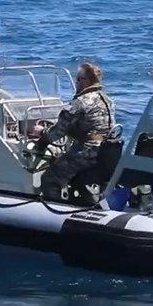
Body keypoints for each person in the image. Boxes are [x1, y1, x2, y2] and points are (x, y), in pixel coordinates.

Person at [29, 63, 118, 203]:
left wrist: (41, 134)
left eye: (78, 79)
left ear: (87, 81)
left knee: (50, 179)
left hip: (87, 152)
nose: (76, 83)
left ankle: (55, 209)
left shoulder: (80, 102)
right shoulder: (107, 100)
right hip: (106, 152)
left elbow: (56, 133)